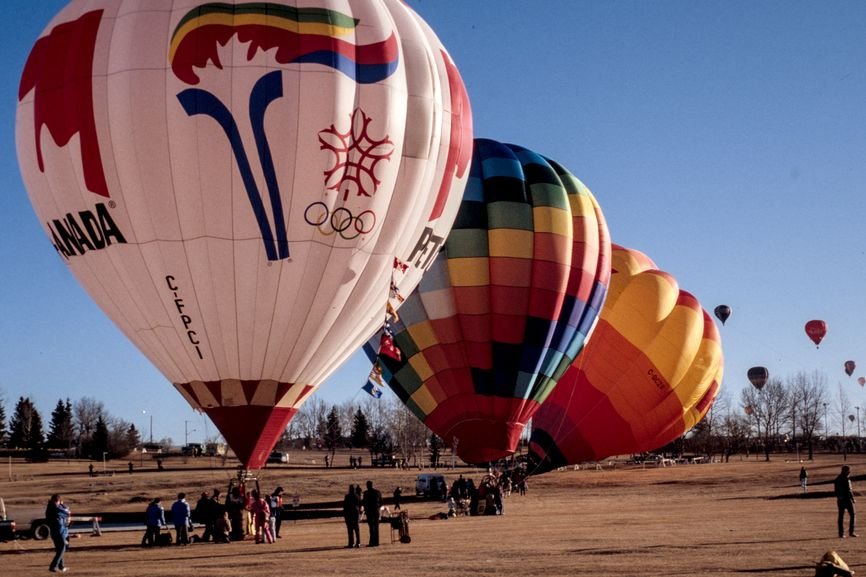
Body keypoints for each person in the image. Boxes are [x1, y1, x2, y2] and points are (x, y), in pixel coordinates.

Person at [46, 494, 70, 573]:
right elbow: (67, 512)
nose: (57, 503)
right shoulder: (55, 508)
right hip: (58, 531)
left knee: (59, 548)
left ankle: (61, 566)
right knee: (62, 547)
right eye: (57, 501)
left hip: (55, 531)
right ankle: (53, 566)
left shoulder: (50, 507)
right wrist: (62, 505)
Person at [834, 465, 858, 538]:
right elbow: (849, 490)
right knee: (853, 515)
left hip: (840, 499)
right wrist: (853, 498)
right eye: (849, 471)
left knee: (841, 516)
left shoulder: (837, 479)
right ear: (846, 471)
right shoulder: (846, 479)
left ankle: (841, 534)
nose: (849, 472)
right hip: (847, 499)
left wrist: (838, 497)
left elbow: (836, 490)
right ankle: (851, 532)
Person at [362, 480, 383, 547]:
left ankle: (372, 542)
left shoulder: (366, 493)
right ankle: (376, 542)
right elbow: (382, 502)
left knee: (371, 527)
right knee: (376, 527)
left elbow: (363, 502)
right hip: (376, 511)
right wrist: (377, 507)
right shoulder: (377, 492)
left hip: (369, 512)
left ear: (367, 485)